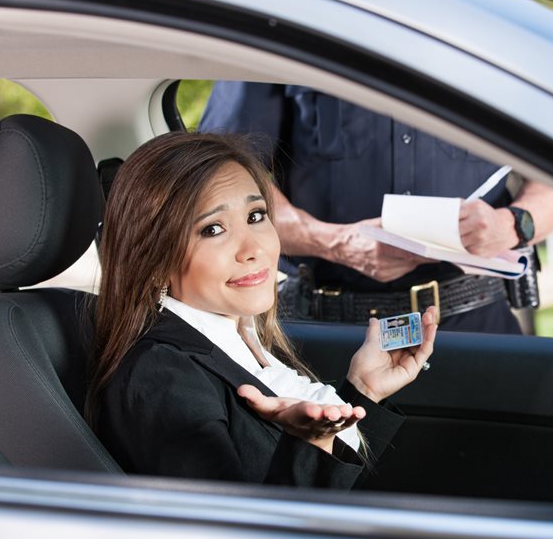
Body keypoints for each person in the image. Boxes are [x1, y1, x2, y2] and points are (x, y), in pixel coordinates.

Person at [87, 132, 437, 489]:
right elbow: (233, 536)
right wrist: (308, 443)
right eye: (213, 229)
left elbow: (340, 489)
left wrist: (363, 391)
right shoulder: (161, 375)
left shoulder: (239, 336)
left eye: (256, 216)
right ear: (154, 257)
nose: (254, 248)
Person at [199, 82, 553, 334]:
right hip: (327, 330)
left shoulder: (492, 19)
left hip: (478, 325)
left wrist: (511, 225)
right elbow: (219, 172)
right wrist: (333, 242)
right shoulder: (293, 7)